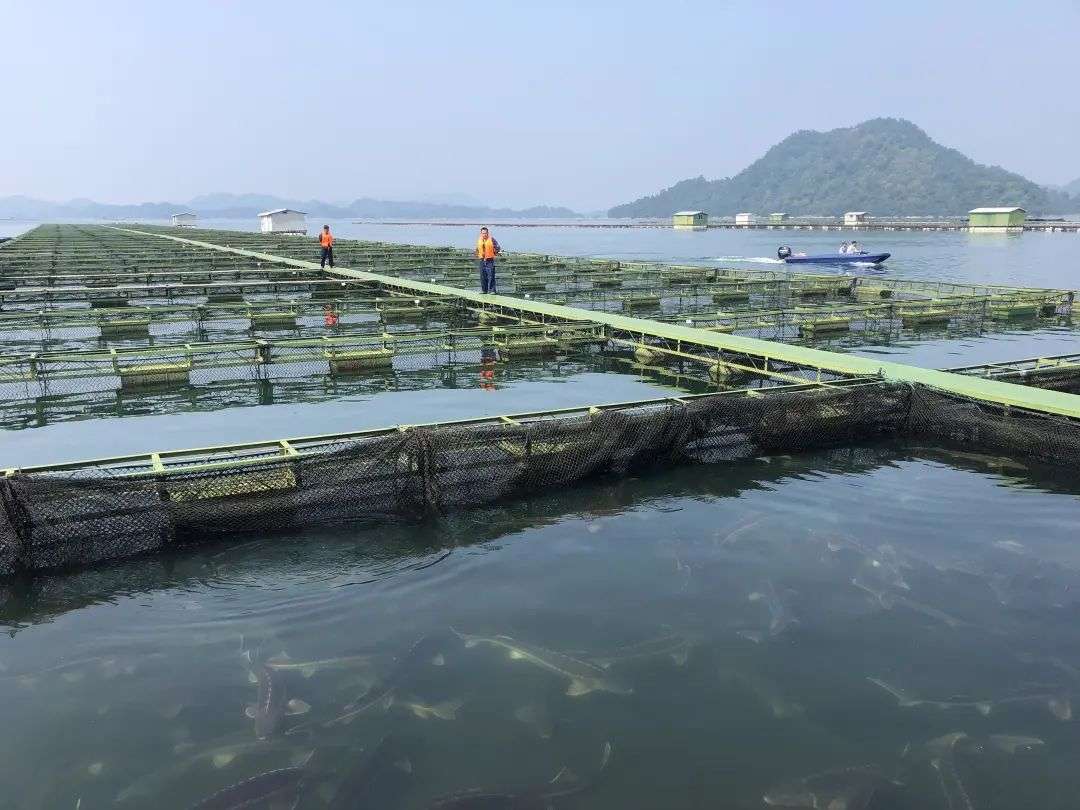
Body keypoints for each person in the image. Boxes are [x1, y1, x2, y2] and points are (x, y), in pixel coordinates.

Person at [475, 227, 500, 293]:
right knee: (483, 276)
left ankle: (492, 290)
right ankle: (484, 290)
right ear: (481, 233)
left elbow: (498, 247)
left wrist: (494, 253)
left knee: (491, 275)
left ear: (487, 233)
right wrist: (478, 255)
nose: (484, 234)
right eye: (483, 233)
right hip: (482, 260)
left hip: (490, 260)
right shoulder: (479, 240)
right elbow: (477, 249)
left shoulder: (492, 239)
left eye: (485, 233)